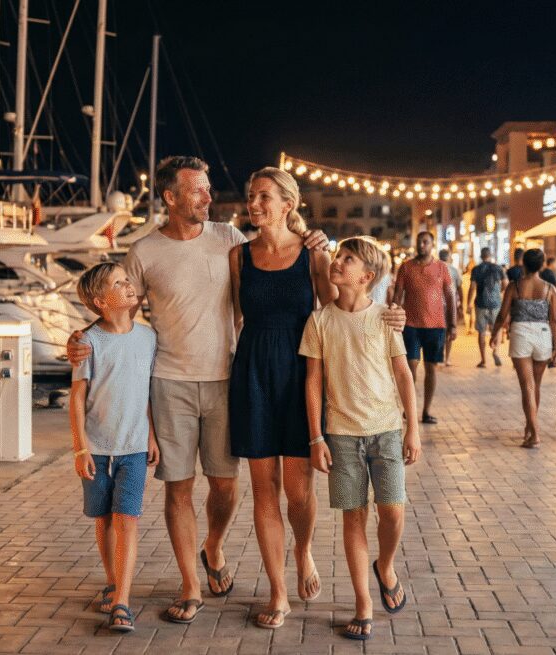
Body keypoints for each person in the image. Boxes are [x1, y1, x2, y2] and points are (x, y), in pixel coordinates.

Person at [65, 156, 350, 624]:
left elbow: (330, 304)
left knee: (234, 486)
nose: (209, 197)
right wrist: (82, 339)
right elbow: (120, 308)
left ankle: (228, 546)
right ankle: (194, 585)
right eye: (197, 190)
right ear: (171, 197)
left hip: (237, 379)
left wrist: (382, 318)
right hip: (177, 381)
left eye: (209, 188)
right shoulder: (150, 251)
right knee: (182, 488)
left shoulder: (230, 240)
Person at [227, 167, 337, 629]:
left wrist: (329, 256)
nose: (255, 204)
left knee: (298, 490)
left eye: (264, 196)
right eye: (252, 196)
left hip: (298, 372)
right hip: (251, 370)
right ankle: (277, 591)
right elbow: (235, 318)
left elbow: (338, 308)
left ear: (288, 203)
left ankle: (303, 548)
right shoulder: (239, 256)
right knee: (262, 488)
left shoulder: (311, 254)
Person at [300, 236, 421, 641]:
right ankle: (363, 602)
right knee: (353, 518)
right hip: (341, 435)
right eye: (337, 257)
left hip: (386, 430)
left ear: (367, 276)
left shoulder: (385, 317)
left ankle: (385, 566)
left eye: (347, 260)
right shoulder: (320, 320)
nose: (337, 263)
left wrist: (413, 428)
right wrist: (316, 437)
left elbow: (403, 374)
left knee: (393, 512)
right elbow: (313, 381)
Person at [70, 262, 160, 633]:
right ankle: (112, 581)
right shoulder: (88, 342)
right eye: (117, 283)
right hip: (97, 447)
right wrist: (80, 449)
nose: (128, 286)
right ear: (99, 300)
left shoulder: (148, 337)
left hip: (135, 446)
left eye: (127, 280)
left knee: (128, 520)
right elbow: (77, 399)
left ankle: (122, 600)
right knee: (104, 518)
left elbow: (150, 391)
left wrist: (152, 435)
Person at [491, 249, 556, 448]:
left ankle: (535, 432)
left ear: (524, 264)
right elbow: (555, 320)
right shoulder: (550, 289)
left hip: (521, 333)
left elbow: (502, 314)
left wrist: (495, 333)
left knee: (527, 387)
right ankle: (530, 428)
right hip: (543, 334)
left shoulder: (515, 287)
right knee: (535, 385)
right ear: (541, 266)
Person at [392, 231, 456, 423]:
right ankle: (409, 409)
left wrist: (452, 324)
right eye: (419, 242)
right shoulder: (406, 267)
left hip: (436, 326)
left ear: (432, 245)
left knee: (431, 369)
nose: (422, 245)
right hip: (410, 325)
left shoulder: (442, 268)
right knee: (410, 369)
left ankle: (426, 410)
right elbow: (397, 296)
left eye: (425, 242)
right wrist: (393, 319)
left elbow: (451, 296)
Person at [466, 247, 508, 368]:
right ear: (491, 255)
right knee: (497, 328)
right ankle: (496, 351)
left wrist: (468, 303)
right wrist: (498, 292)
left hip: (481, 303)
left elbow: (472, 287)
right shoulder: (498, 268)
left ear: (481, 256)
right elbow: (506, 284)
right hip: (495, 304)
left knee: (481, 332)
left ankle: (483, 360)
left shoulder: (476, 269)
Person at [439, 248, 463, 366]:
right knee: (450, 330)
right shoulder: (454, 270)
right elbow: (459, 287)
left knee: (439, 331)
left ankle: (439, 356)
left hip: (437, 305)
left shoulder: (436, 268)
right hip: (450, 305)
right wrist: (461, 304)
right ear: (448, 257)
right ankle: (447, 358)